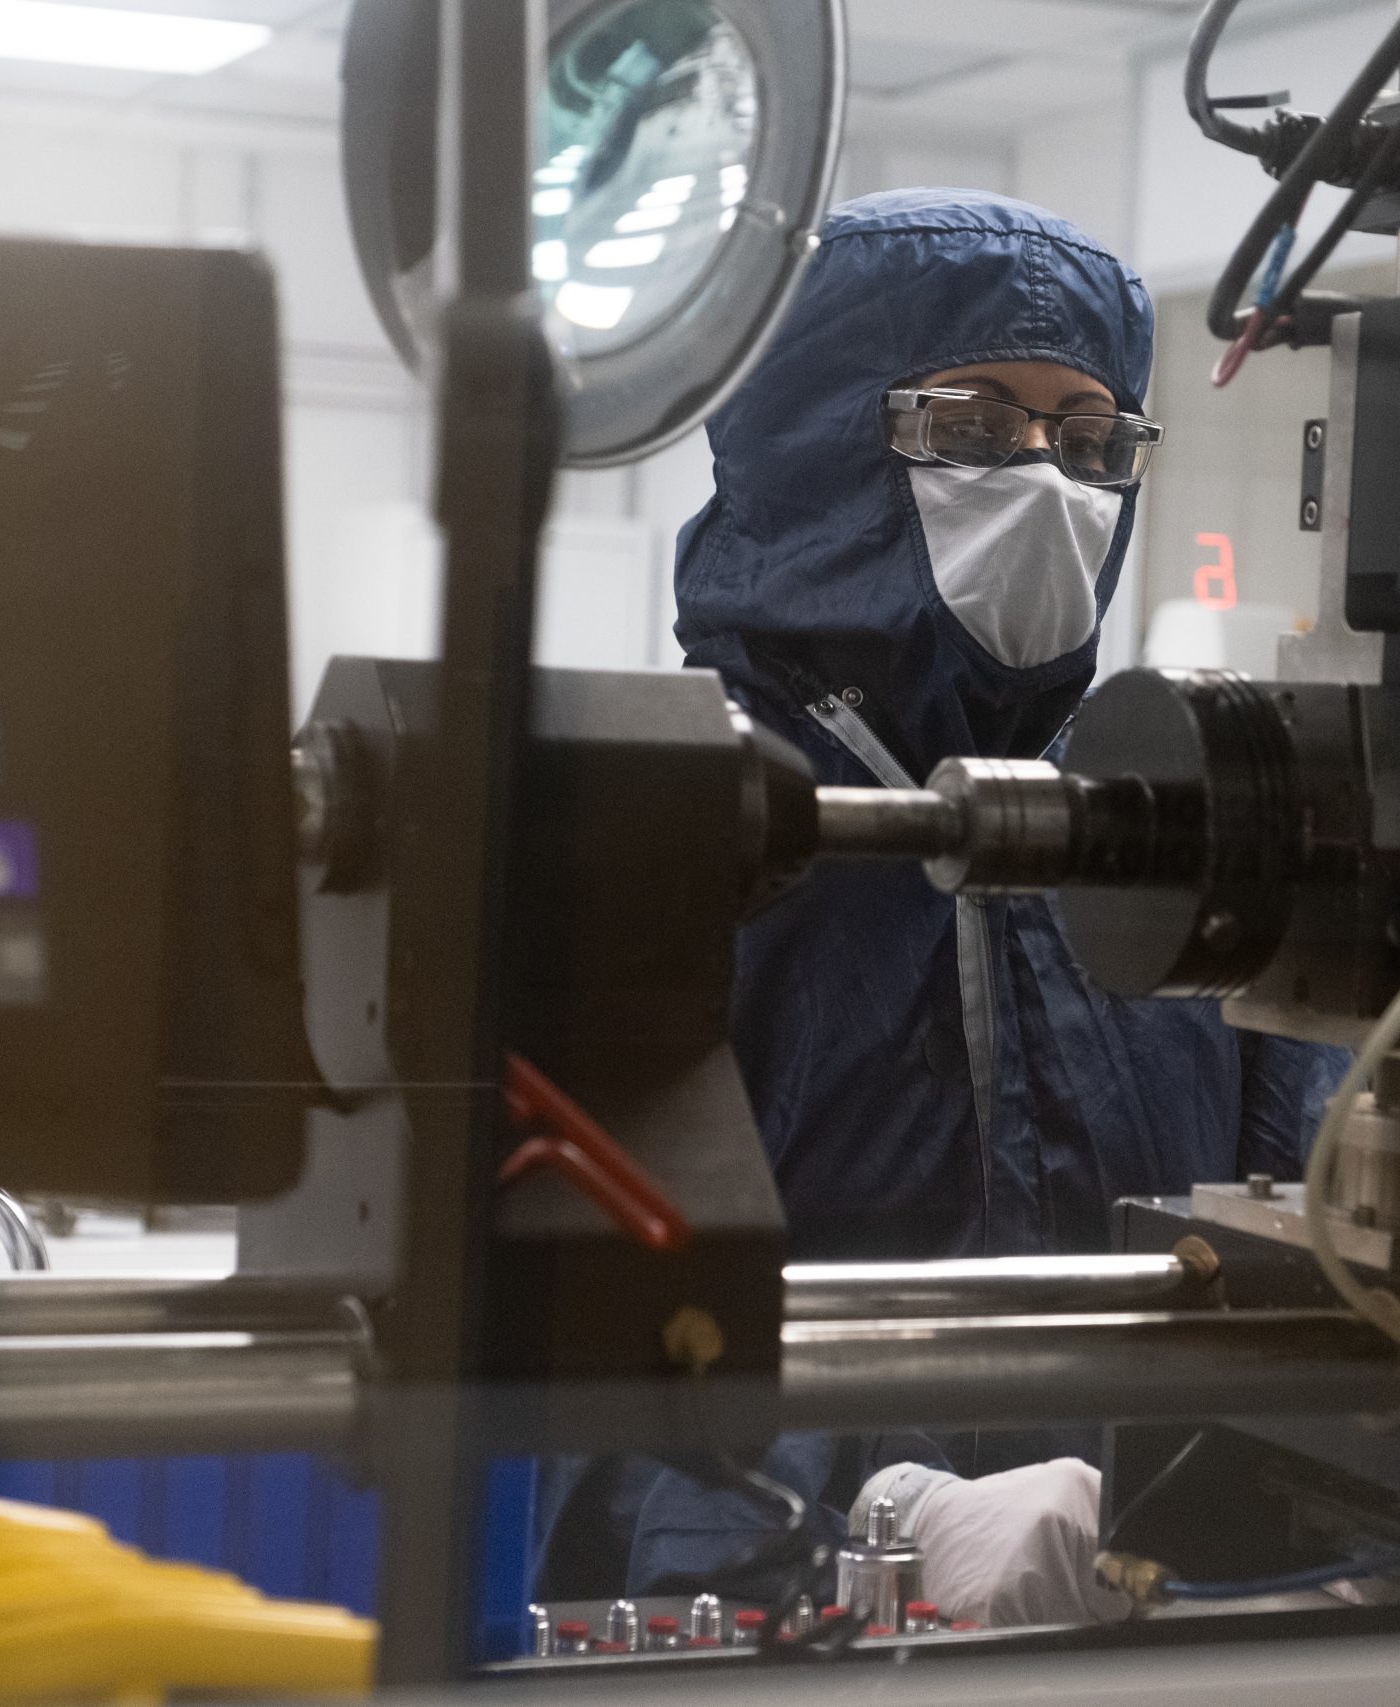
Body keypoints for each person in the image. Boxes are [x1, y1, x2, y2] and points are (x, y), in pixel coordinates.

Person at [540, 187, 1344, 1627]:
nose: (1043, 477)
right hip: (748, 1644)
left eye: (1087, 438)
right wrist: (869, 1513)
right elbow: (540, 1366)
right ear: (814, 441)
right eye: (971, 428)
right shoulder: (643, 840)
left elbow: (1295, 1283)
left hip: (1139, 1618)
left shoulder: (1190, 839)